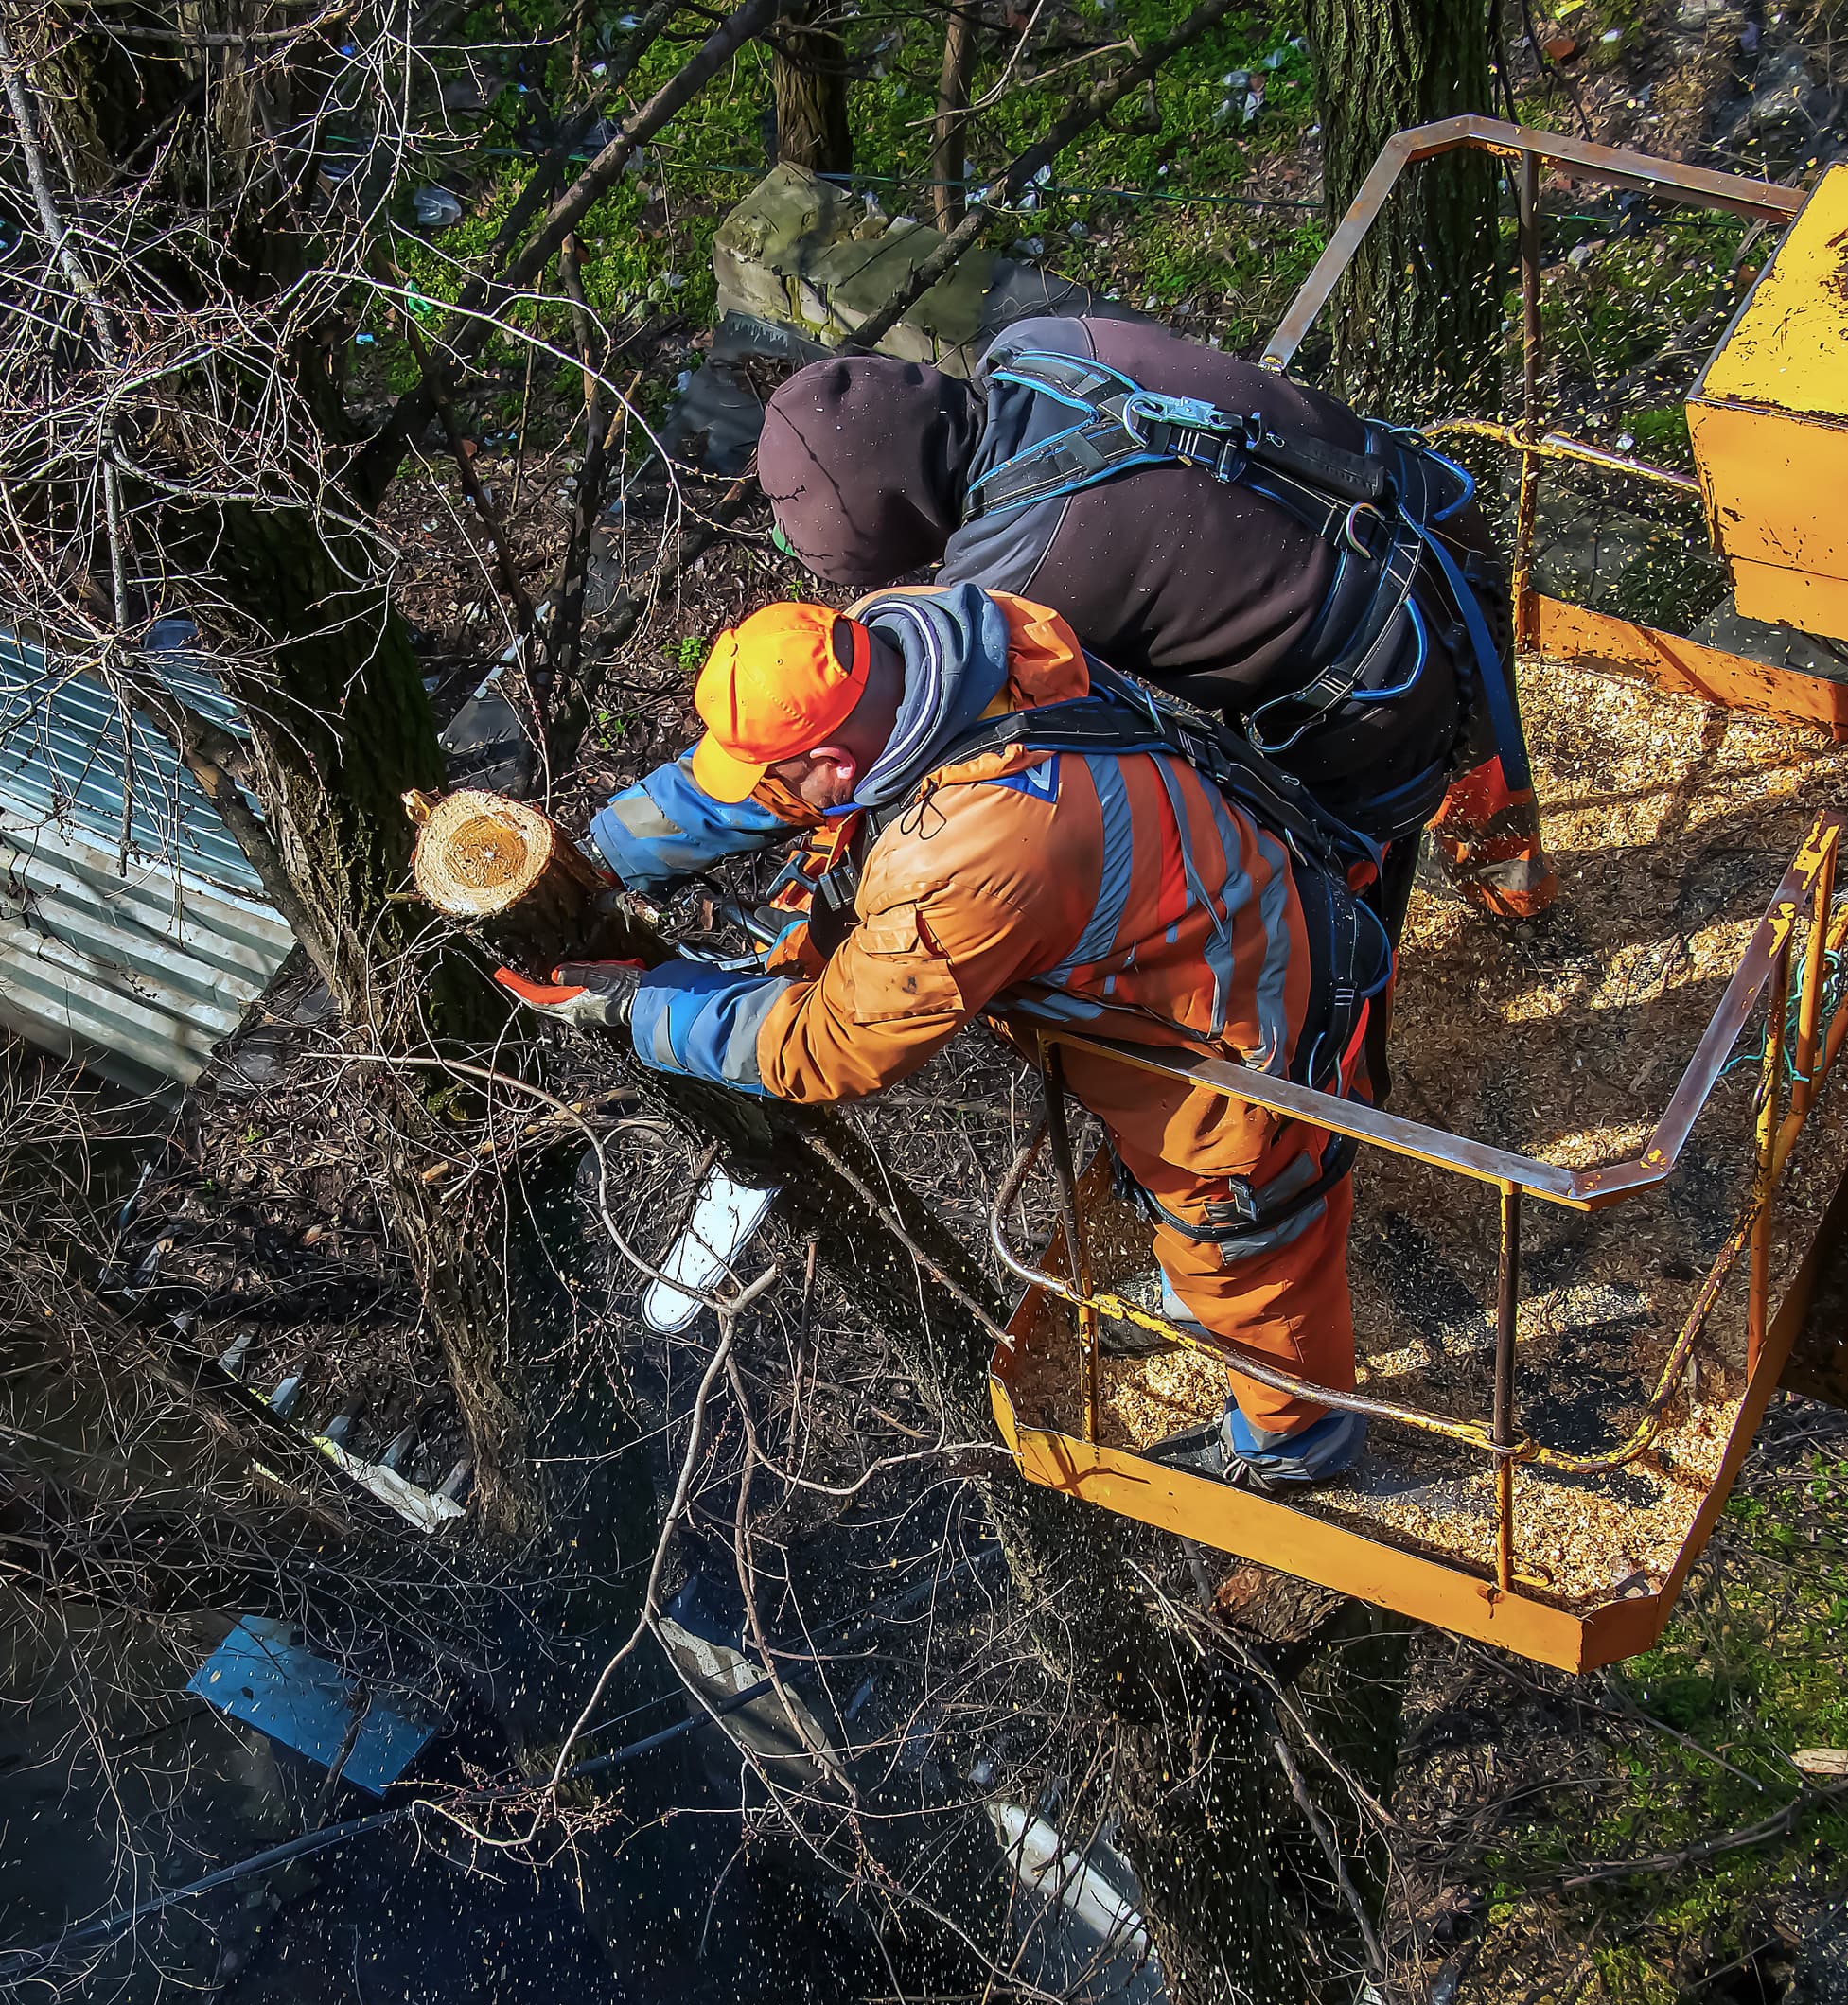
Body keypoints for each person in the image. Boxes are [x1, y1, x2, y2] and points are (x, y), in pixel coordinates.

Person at [511, 583, 1386, 1490]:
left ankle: (1297, 1444)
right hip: (1205, 909)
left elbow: (829, 1045)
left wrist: (642, 1006)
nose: (758, 791)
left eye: (779, 772)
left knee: (1244, 1235)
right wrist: (593, 855)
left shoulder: (973, 851)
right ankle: (1187, 1299)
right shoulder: (921, 642)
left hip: (1246, 1038)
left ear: (836, 765)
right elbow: (743, 788)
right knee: (1181, 1208)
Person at [748, 317, 1548, 927]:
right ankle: (1518, 884)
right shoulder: (1038, 345)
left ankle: (1386, 1028)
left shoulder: (1012, 578)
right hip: (1439, 529)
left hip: (1384, 690)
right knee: (1482, 732)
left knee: (1337, 886)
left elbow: (1013, 743)